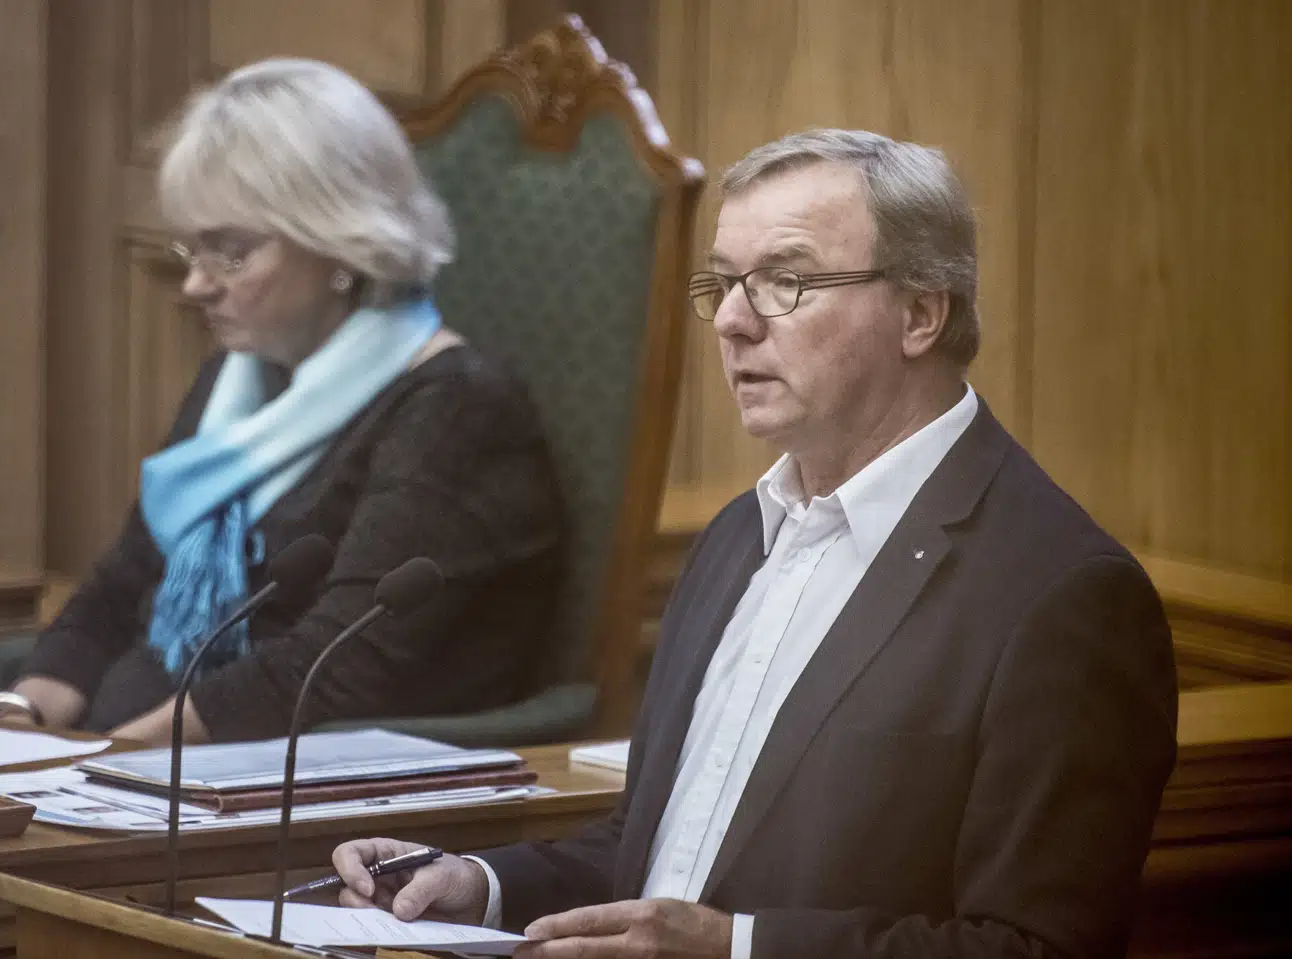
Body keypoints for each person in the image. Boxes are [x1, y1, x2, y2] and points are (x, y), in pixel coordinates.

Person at [330, 129, 1179, 959]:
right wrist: (483, 884)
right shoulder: (742, 532)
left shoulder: (1064, 596)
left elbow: (1039, 944)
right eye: (725, 284)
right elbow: (661, 846)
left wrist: (738, 948)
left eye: (785, 282)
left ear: (921, 313)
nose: (732, 322)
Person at [0, 59, 564, 744]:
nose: (195, 285)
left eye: (230, 252)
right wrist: (20, 722)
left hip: (293, 788)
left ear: (341, 240)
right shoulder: (237, 378)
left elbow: (337, 664)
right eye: (192, 250)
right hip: (137, 767)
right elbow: (121, 588)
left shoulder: (455, 408)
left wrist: (111, 756)